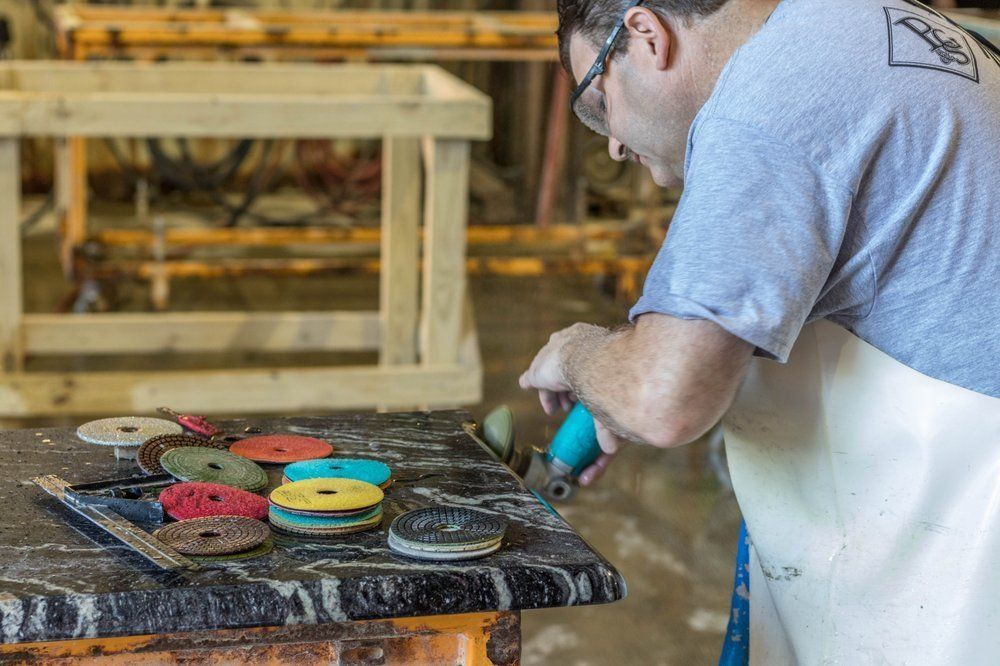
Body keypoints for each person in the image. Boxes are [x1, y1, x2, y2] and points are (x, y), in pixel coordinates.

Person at [518, 0, 1000, 662]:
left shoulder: (766, 99)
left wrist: (575, 355)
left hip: (964, 553)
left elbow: (664, 400)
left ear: (647, 35)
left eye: (598, 105)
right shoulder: (870, 23)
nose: (612, 142)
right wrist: (621, 382)